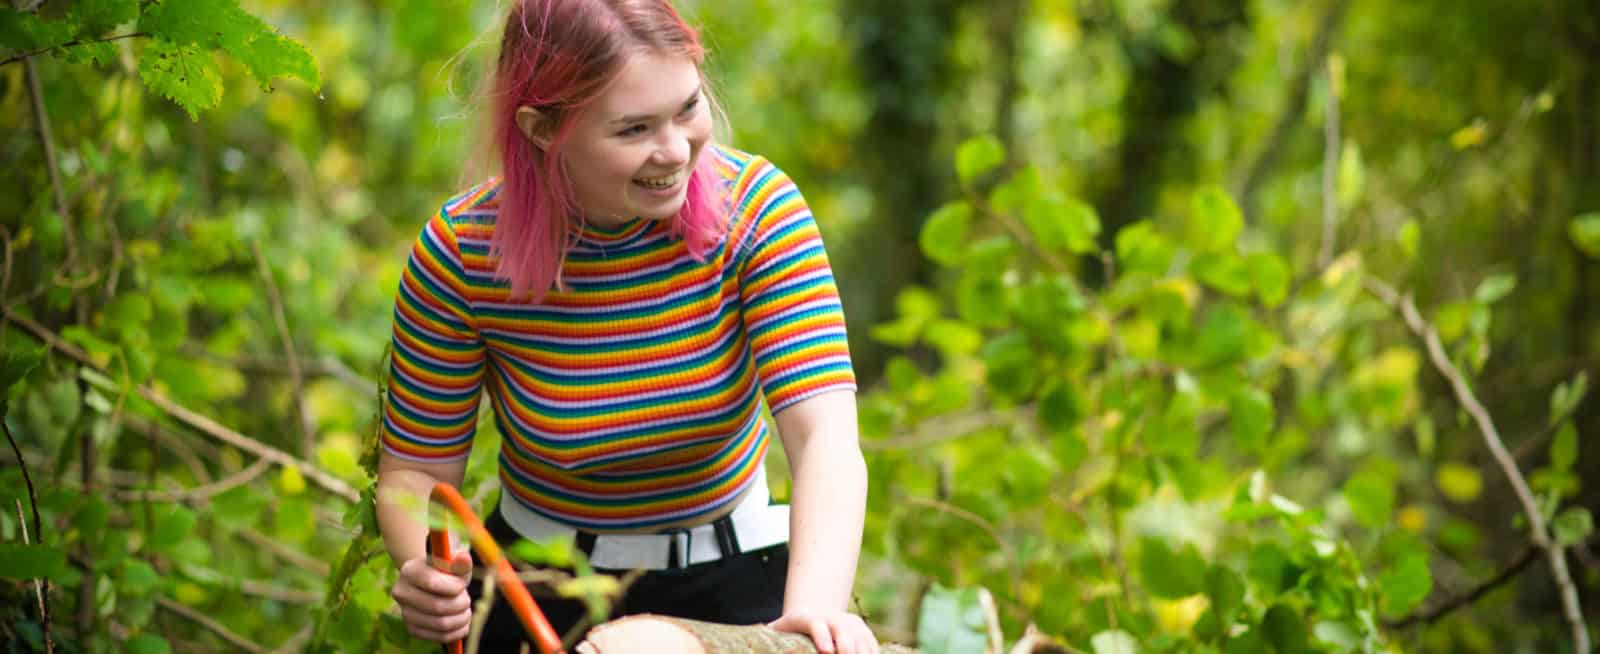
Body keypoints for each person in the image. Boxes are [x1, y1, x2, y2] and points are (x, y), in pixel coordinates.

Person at [373, 1, 877, 652]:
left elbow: (825, 442)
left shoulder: (758, 211)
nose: (675, 150)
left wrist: (810, 616)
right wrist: (429, 569)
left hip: (741, 585)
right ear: (541, 129)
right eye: (634, 129)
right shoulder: (462, 254)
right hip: (538, 589)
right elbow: (414, 473)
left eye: (688, 108)